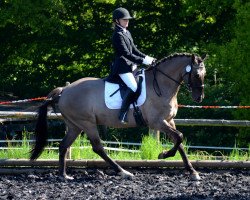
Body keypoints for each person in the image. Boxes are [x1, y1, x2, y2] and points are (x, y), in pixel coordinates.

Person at [108, 7, 155, 124]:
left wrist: (148, 58)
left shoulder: (126, 32)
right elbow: (126, 54)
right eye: (124, 19)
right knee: (134, 87)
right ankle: (122, 114)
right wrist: (143, 61)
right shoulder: (117, 35)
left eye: (127, 19)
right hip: (122, 67)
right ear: (117, 21)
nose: (127, 21)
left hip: (131, 66)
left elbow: (134, 50)